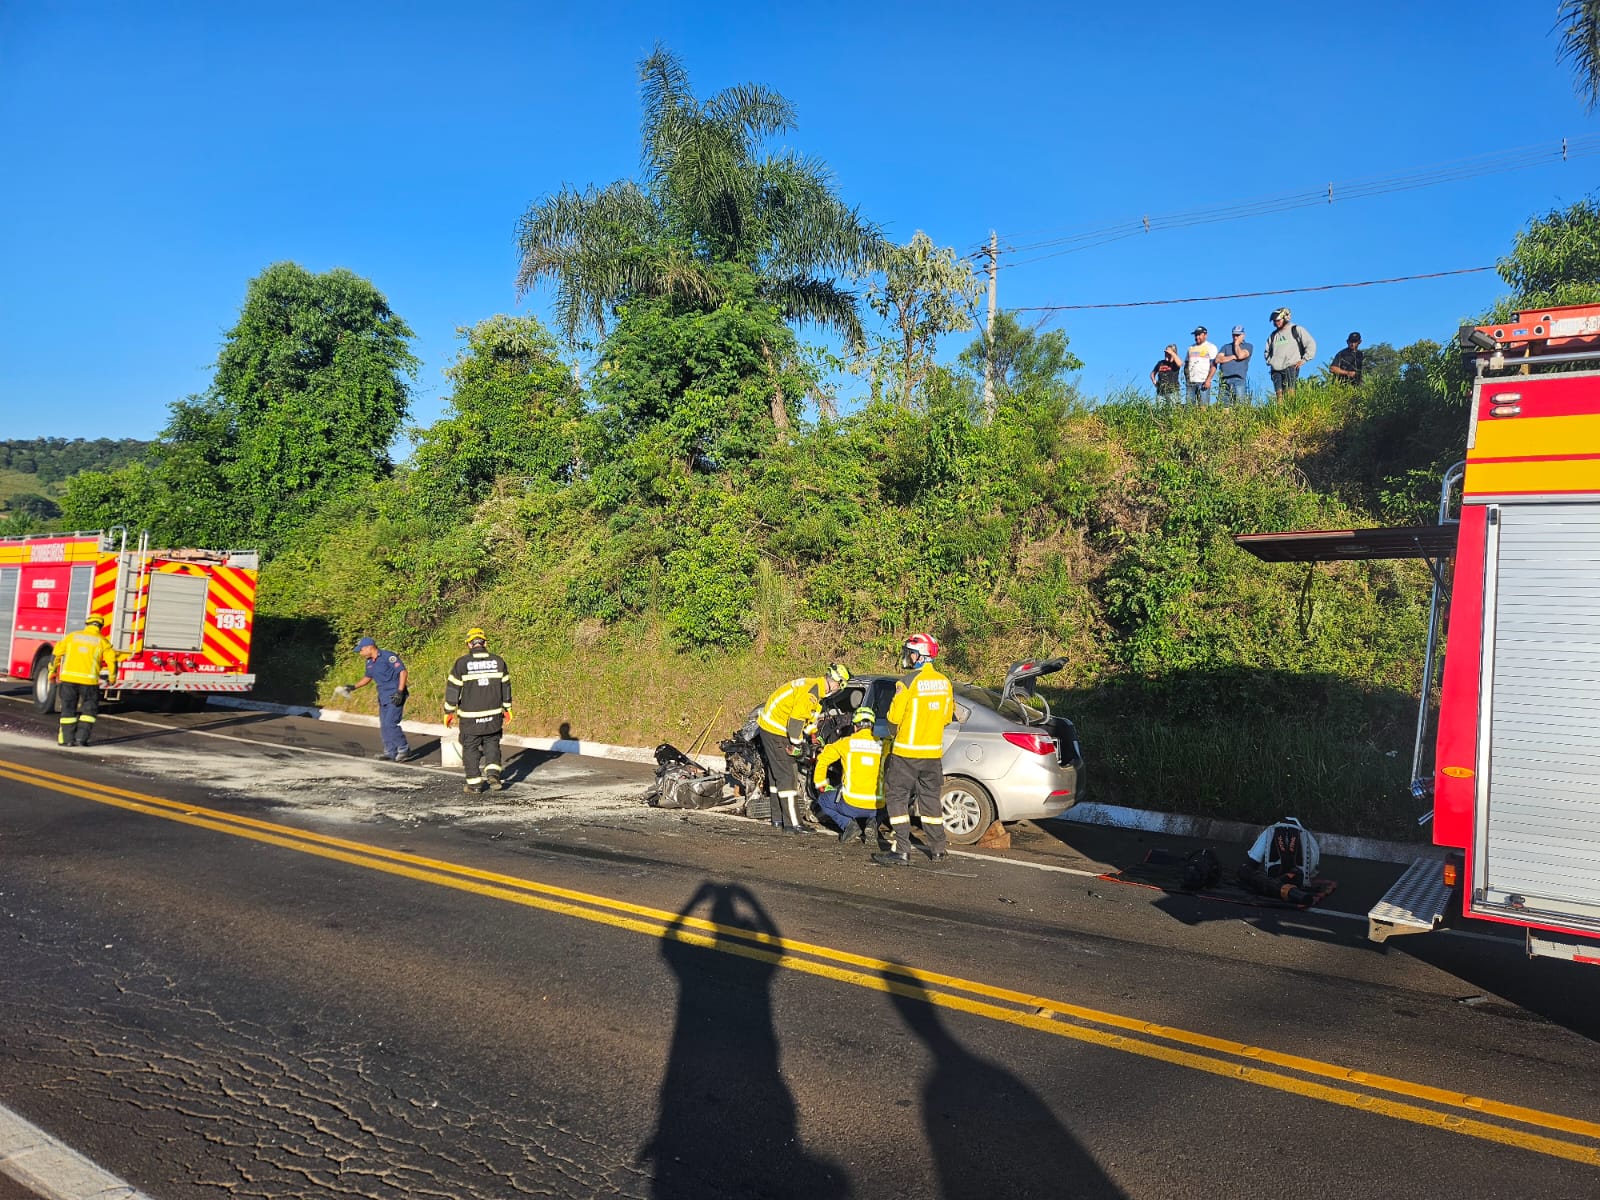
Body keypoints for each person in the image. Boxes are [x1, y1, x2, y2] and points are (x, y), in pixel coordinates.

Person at [874, 633, 954, 867]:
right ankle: (938, 848)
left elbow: (893, 718)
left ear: (919, 655)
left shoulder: (907, 682)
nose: (908, 656)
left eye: (910, 652)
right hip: (932, 754)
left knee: (897, 797)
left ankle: (901, 849)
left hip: (906, 754)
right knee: (930, 801)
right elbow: (947, 717)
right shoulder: (945, 683)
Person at [756, 663, 851, 834]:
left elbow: (809, 719)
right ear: (837, 684)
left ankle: (777, 819)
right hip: (776, 730)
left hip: (769, 726)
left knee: (776, 774)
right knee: (787, 776)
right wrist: (798, 745)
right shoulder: (812, 694)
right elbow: (796, 722)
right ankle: (793, 824)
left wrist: (813, 736)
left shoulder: (815, 688)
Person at [443, 627, 513, 794]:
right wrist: (508, 708)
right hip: (493, 715)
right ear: (485, 642)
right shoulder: (498, 661)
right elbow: (506, 687)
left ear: (469, 644)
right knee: (492, 743)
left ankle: (474, 784)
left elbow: (453, 689)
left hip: (470, 717)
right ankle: (493, 772)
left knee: (470, 748)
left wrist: (449, 711)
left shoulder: (462, 663)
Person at [813, 706, 886, 845]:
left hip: (851, 804)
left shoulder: (845, 743)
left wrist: (822, 784)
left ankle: (848, 825)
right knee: (892, 800)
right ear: (872, 726)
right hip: (877, 806)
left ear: (855, 726)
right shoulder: (884, 744)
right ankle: (873, 823)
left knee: (823, 800)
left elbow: (822, 759)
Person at [49, 615, 117, 747]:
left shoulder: (72, 637)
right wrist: (112, 678)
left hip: (68, 680)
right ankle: (81, 739)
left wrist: (52, 672)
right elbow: (112, 661)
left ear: (87, 624)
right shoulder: (102, 641)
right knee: (89, 712)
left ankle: (66, 740)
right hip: (89, 683)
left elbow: (56, 654)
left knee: (68, 710)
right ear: (100, 627)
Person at [347, 637, 412, 761]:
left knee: (390, 723)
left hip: (395, 694)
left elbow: (402, 672)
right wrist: (353, 687)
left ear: (369, 647)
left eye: (361, 650)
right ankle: (390, 752)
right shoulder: (370, 662)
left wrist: (400, 691)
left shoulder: (388, 657)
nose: (360, 653)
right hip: (383, 696)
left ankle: (404, 749)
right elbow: (368, 677)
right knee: (384, 725)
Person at [1237, 816, 1321, 905]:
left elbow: (1252, 862)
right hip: (1300, 880)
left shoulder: (1270, 831)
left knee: (1245, 872)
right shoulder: (1309, 837)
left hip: (1275, 878)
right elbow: (1313, 871)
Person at [1264, 307, 1316, 397]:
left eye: (1278, 320)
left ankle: (1292, 410)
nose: (1276, 323)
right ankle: (1280, 411)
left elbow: (1311, 344)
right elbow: (1267, 351)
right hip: (1275, 369)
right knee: (1279, 395)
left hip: (1291, 366)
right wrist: (1271, 362)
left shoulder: (1296, 329)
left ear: (1285, 318)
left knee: (1290, 391)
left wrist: (1304, 360)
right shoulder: (1273, 335)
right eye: (1274, 321)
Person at [1216, 325, 1253, 403]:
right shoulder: (1226, 347)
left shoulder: (1248, 346)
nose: (1235, 337)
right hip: (1224, 380)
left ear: (1243, 335)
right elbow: (1218, 359)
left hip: (1238, 379)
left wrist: (1236, 344)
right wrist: (1233, 357)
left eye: (1238, 335)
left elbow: (1240, 355)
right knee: (1224, 405)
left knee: (1240, 404)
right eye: (1234, 335)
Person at [1184, 326, 1219, 405]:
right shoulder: (1191, 348)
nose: (1197, 337)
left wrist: (1208, 380)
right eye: (1196, 335)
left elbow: (1213, 365)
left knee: (1203, 406)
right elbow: (1186, 364)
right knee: (1189, 407)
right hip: (1191, 382)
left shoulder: (1211, 347)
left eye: (1199, 335)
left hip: (1203, 381)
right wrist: (1187, 378)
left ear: (1205, 335)